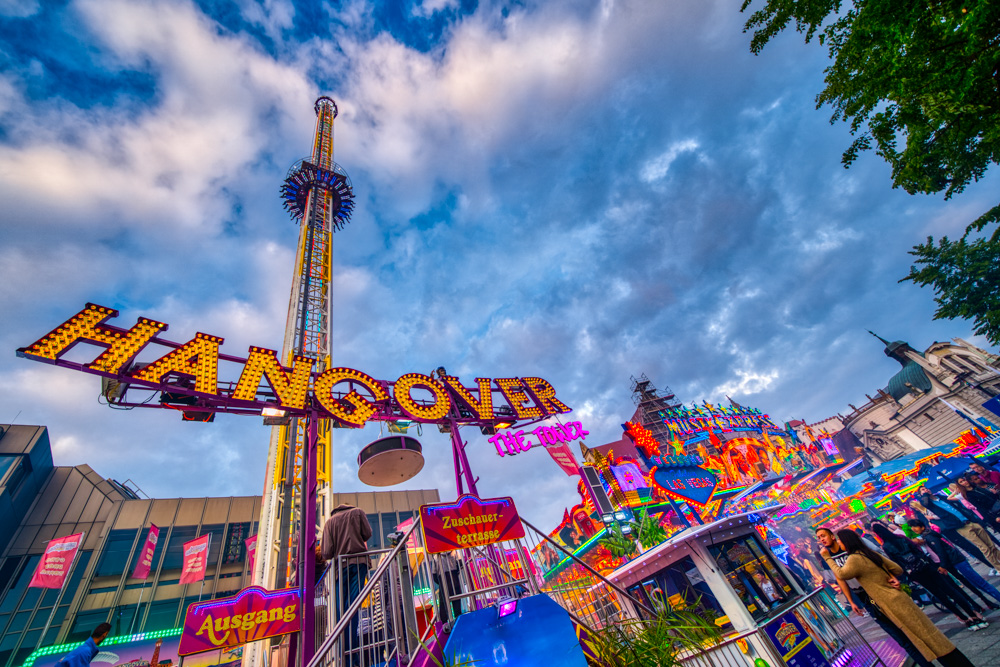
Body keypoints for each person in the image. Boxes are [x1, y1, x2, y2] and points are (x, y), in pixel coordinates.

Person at [822, 530, 977, 667]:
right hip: (897, 597)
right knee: (926, 632)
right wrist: (890, 577)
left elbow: (841, 574)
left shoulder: (854, 558)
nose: (839, 542)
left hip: (890, 601)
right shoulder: (868, 552)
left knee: (923, 635)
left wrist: (827, 558)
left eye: (840, 540)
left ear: (847, 542)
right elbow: (897, 568)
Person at [814, 527, 933, 667]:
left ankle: (932, 653)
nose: (821, 539)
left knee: (908, 626)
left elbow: (875, 558)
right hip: (864, 597)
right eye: (819, 537)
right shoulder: (827, 555)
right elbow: (840, 578)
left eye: (823, 535)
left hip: (877, 588)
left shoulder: (848, 546)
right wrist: (851, 601)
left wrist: (891, 575)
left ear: (832, 536)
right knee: (897, 636)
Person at [870, 522, 988, 631]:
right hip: (927, 567)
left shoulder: (886, 547)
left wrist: (909, 575)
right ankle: (973, 615)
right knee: (950, 590)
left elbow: (898, 564)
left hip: (916, 574)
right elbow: (918, 550)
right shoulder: (901, 538)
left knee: (940, 595)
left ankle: (965, 619)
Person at [320, 504, 373, 666]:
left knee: (341, 613)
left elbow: (326, 552)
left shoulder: (329, 522)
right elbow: (367, 534)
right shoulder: (358, 512)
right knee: (353, 608)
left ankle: (346, 657)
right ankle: (352, 658)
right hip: (359, 564)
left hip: (340, 568)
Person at [908, 518, 1000, 610]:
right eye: (912, 527)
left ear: (922, 526)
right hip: (951, 562)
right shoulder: (926, 536)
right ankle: (986, 603)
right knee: (974, 583)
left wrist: (943, 565)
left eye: (915, 526)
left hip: (955, 561)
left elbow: (941, 551)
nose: (913, 529)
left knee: (978, 582)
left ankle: (994, 599)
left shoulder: (929, 536)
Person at [918, 485, 1000, 571]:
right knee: (985, 549)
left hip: (968, 521)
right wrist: (924, 495)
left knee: (991, 545)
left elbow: (956, 505)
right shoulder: (929, 504)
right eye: (923, 490)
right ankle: (998, 568)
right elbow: (925, 503)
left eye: (926, 488)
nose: (926, 490)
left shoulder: (940, 497)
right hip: (960, 526)